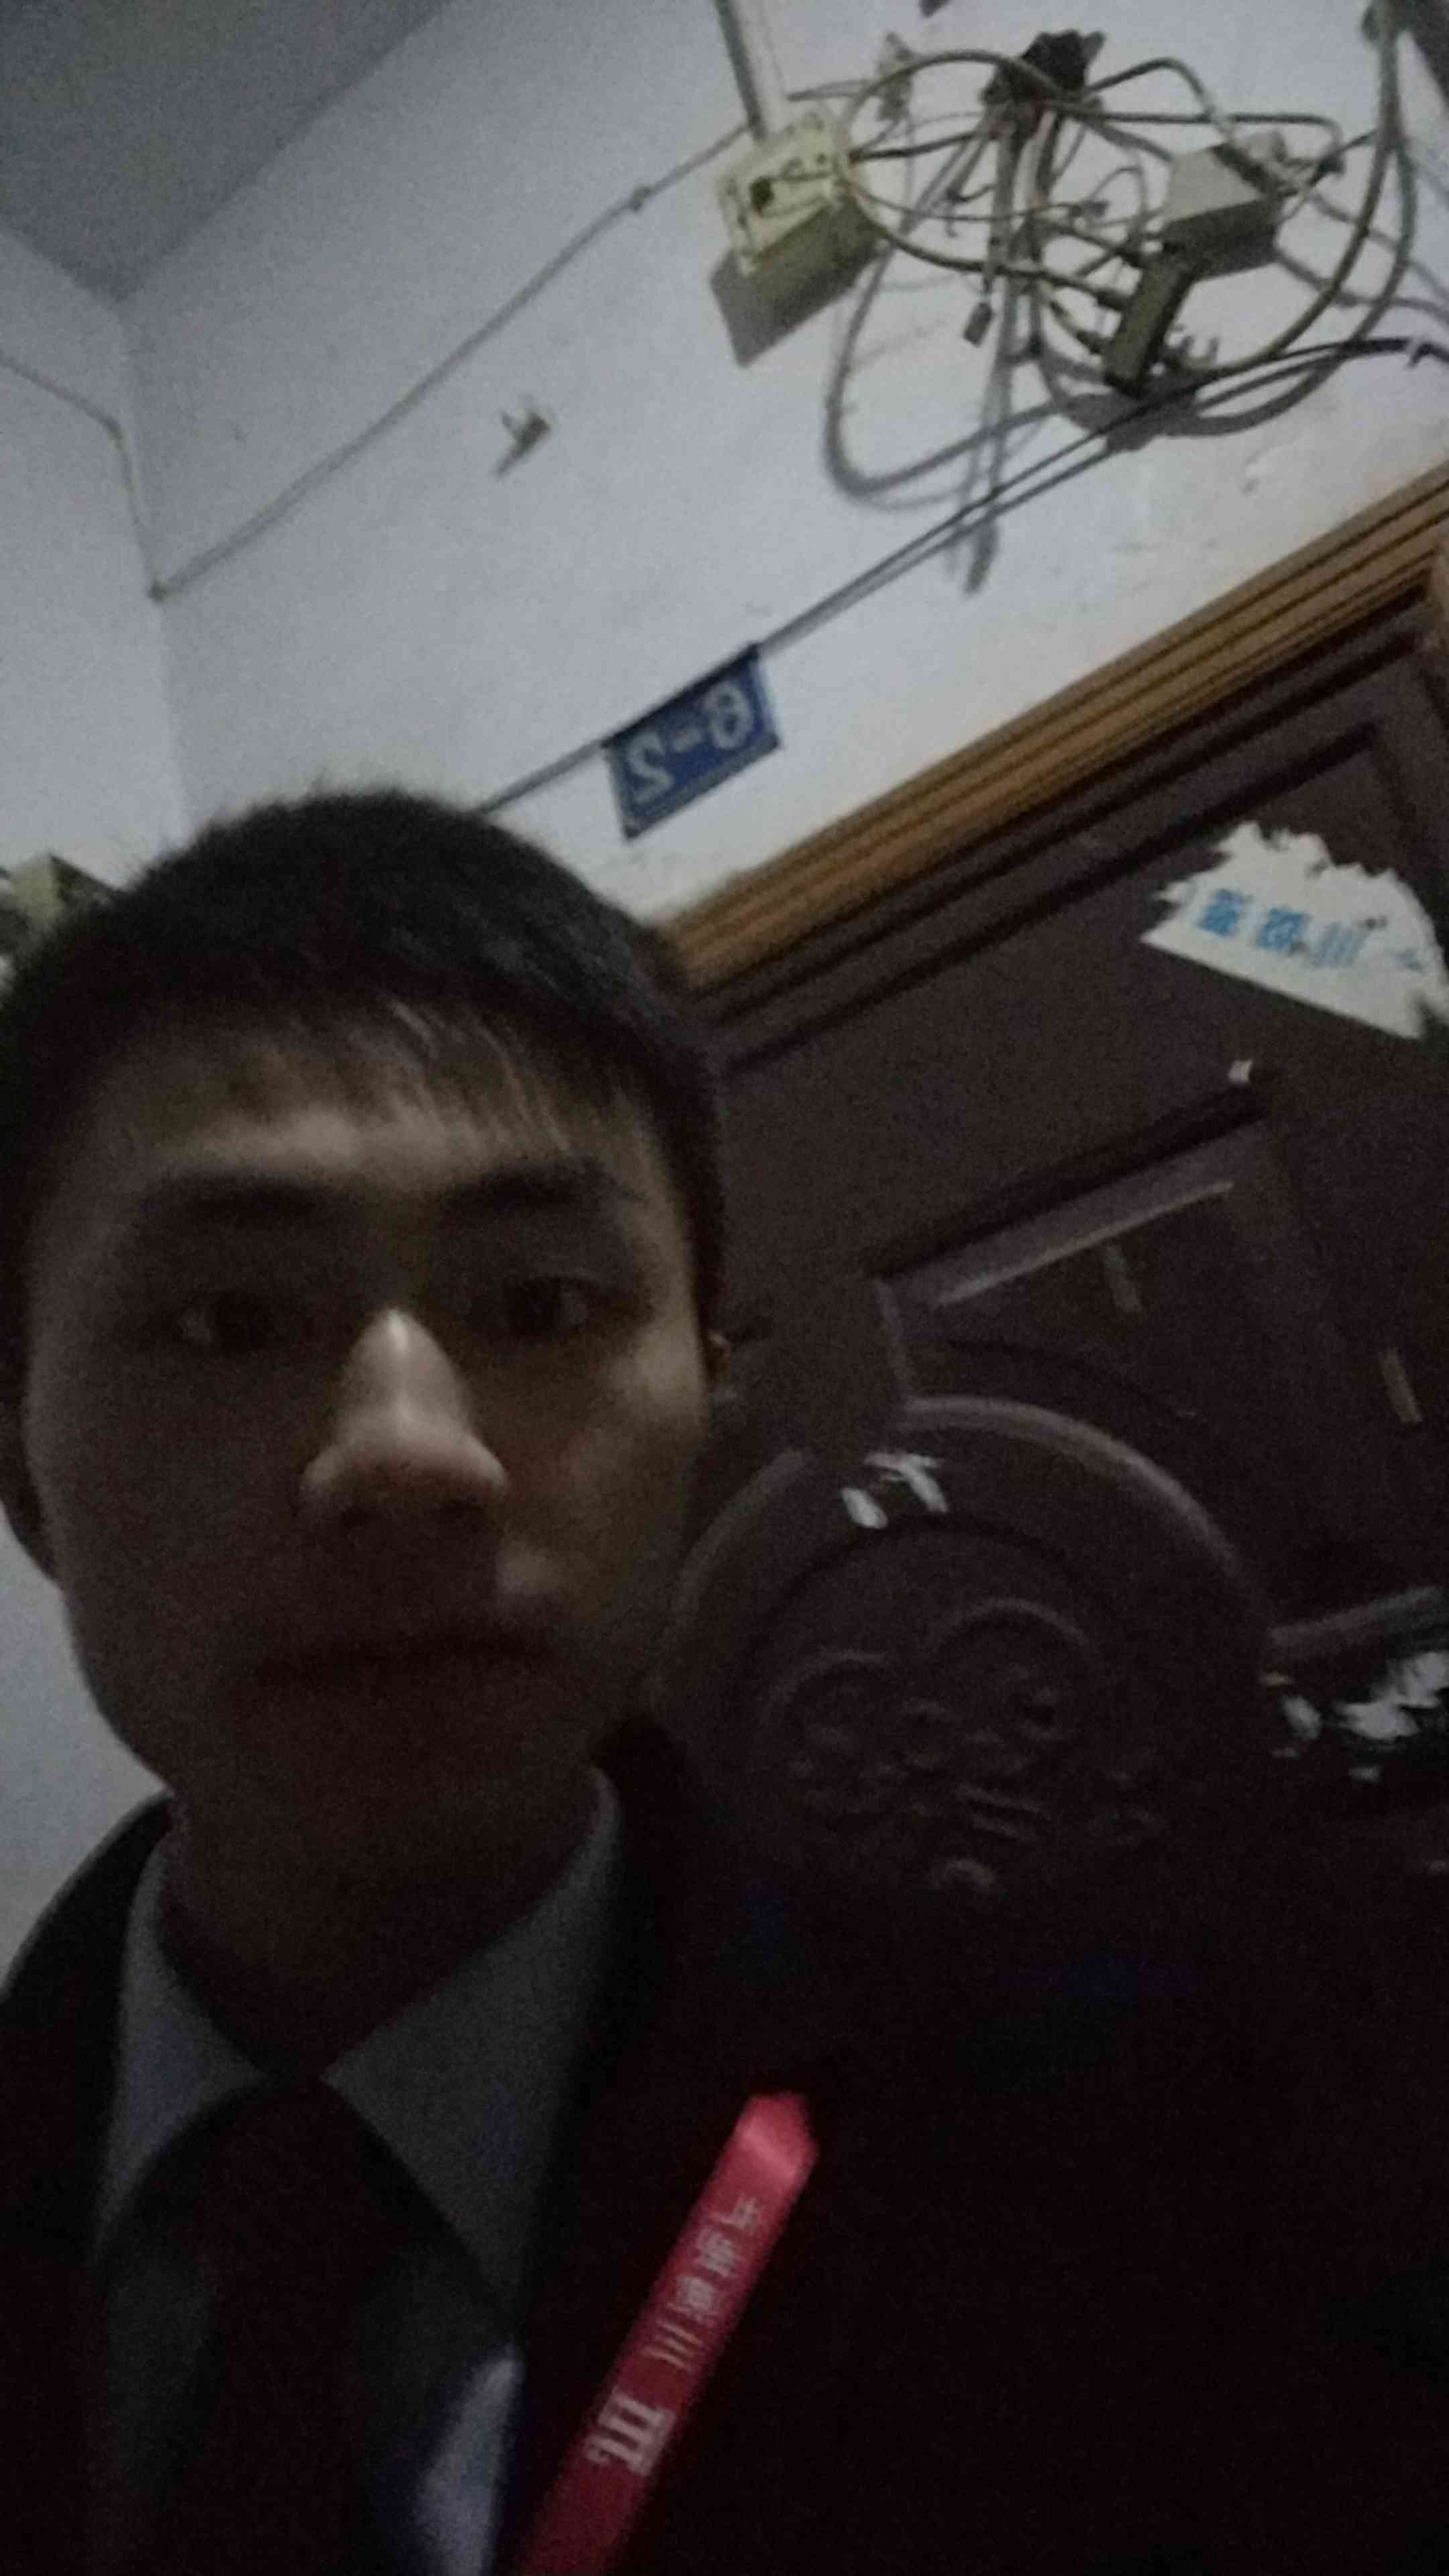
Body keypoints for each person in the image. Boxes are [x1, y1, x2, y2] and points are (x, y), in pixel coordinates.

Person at [1, 788, 1446, 2576]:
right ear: (20, 1463)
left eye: (539, 1305)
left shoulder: (1179, 2157)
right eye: (225, 1319)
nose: (408, 1452)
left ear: (711, 1393)